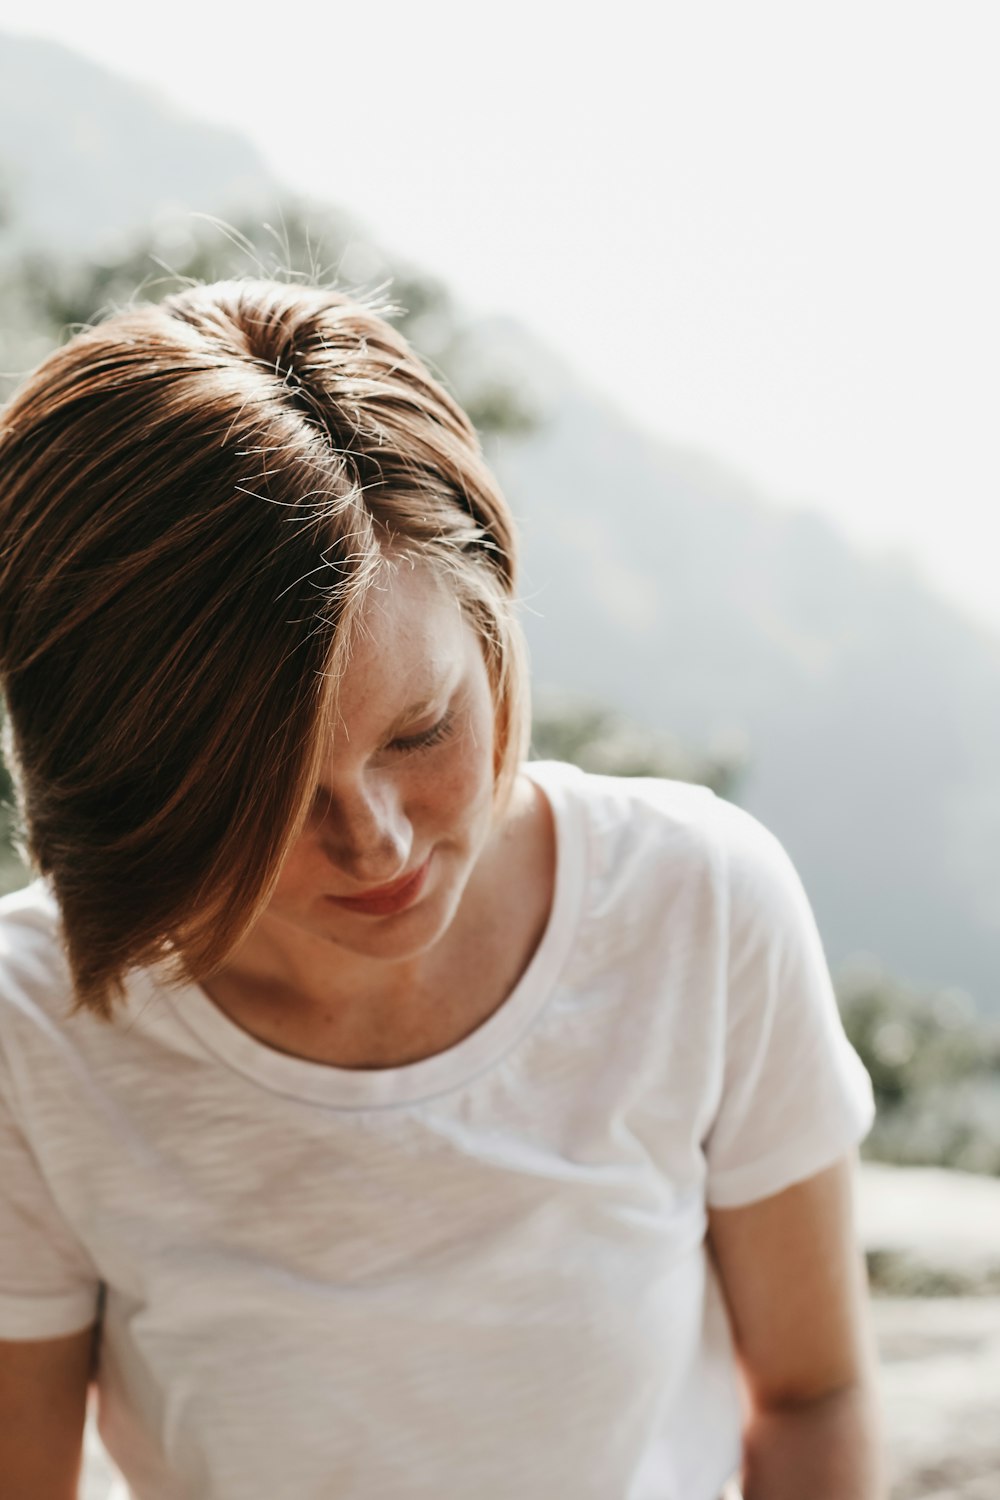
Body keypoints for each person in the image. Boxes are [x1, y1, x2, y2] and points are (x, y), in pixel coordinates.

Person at [0, 280, 883, 1500]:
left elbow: (811, 1395)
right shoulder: (32, 1027)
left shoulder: (697, 905)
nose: (374, 844)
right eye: (270, 799)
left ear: (493, 626)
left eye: (419, 731)